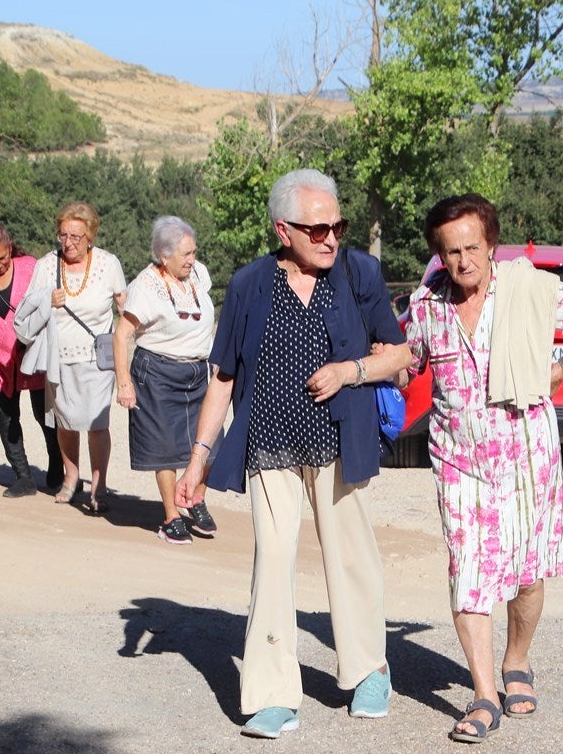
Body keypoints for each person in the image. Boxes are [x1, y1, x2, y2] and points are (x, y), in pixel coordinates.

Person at [175, 168, 411, 739]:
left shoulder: (360, 273)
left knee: (350, 555)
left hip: (340, 439)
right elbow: (224, 378)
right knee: (273, 562)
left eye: (338, 225)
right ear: (284, 230)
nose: (331, 237)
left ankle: (367, 670)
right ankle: (273, 693)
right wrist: (198, 460)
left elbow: (399, 355)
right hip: (268, 443)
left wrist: (350, 371)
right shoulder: (250, 283)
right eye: (317, 228)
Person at [399, 193, 563, 744]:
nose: (463, 263)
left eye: (472, 248)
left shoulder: (527, 290)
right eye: (451, 251)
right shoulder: (428, 306)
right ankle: (484, 694)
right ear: (439, 254)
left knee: (527, 575)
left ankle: (516, 661)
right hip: (459, 460)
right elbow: (407, 359)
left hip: (528, 456)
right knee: (469, 573)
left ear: (491, 246)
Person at [112, 216, 220, 545]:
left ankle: (195, 498)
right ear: (164, 256)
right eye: (185, 254)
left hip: (197, 371)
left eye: (194, 252)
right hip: (157, 372)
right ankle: (172, 515)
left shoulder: (198, 274)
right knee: (167, 448)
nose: (192, 260)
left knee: (210, 442)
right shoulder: (145, 286)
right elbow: (121, 336)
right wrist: (124, 383)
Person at [14, 201, 126, 513]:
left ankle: (99, 485)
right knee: (64, 421)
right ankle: (71, 478)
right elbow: (26, 308)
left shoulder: (108, 263)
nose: (68, 243)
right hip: (58, 358)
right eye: (63, 235)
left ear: (90, 236)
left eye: (76, 236)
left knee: (97, 423)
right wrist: (47, 299)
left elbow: (124, 307)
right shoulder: (46, 265)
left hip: (96, 359)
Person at [0, 221, 62, 498]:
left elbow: (46, 301)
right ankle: (23, 477)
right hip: (1, 363)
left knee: (47, 417)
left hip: (35, 356)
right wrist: (9, 339)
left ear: (10, 247)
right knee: (7, 420)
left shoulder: (31, 266)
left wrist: (27, 335)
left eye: (3, 257)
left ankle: (58, 470)